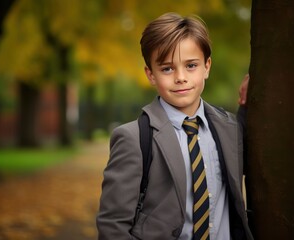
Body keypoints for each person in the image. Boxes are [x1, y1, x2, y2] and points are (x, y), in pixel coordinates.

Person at [96, 12, 253, 240]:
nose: (180, 77)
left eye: (191, 65)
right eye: (167, 68)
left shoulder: (230, 129)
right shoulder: (133, 138)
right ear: (150, 74)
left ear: (207, 67)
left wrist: (250, 103)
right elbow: (113, 226)